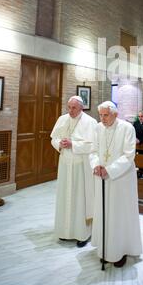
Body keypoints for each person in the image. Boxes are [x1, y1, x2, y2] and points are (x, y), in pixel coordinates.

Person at [90, 101, 142, 268]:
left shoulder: (127, 128)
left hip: (121, 179)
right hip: (102, 177)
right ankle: (105, 249)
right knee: (104, 212)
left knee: (119, 214)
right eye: (101, 115)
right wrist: (96, 165)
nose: (103, 119)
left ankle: (120, 250)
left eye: (106, 115)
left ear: (115, 115)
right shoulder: (98, 128)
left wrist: (110, 170)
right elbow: (93, 150)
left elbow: (128, 156)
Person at [50, 96, 97, 247]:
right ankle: (65, 231)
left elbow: (93, 146)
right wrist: (60, 144)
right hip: (65, 164)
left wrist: (73, 144)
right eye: (69, 107)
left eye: (74, 108)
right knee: (65, 197)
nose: (70, 111)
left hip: (80, 166)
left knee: (79, 199)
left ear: (81, 108)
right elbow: (53, 138)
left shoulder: (90, 122)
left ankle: (83, 234)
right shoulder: (62, 119)